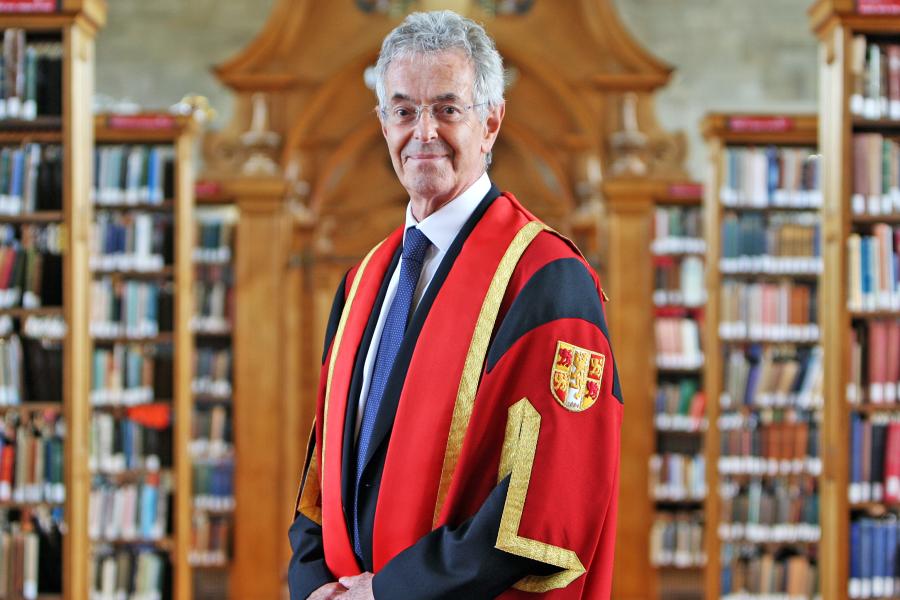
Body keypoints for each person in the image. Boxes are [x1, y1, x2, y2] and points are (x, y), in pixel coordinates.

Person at [288, 10, 622, 600]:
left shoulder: (546, 280)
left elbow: (544, 506)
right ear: (382, 122)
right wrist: (315, 581)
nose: (423, 133)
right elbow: (326, 470)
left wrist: (390, 592)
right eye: (403, 110)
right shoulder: (362, 281)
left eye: (447, 108)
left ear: (490, 122)